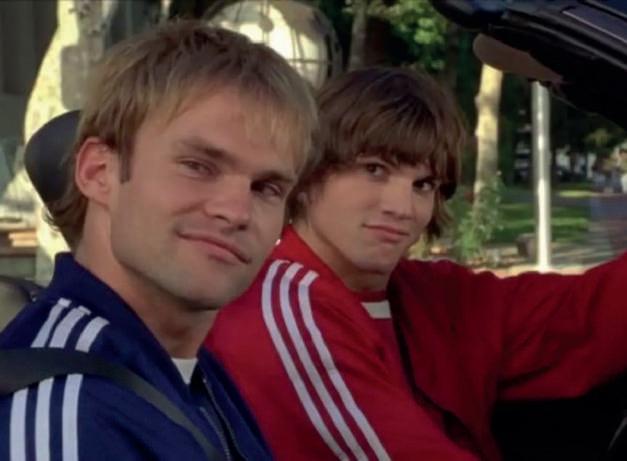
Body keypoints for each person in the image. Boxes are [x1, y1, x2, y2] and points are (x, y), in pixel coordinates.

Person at [207, 66, 627, 461]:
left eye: (423, 184)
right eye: (374, 170)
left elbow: (584, 315)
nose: (402, 207)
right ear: (309, 174)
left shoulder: (430, 295)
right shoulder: (281, 309)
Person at [0, 20, 317, 460]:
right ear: (99, 172)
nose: (236, 212)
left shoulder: (192, 375)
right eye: (198, 166)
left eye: (266, 188)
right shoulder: (64, 410)